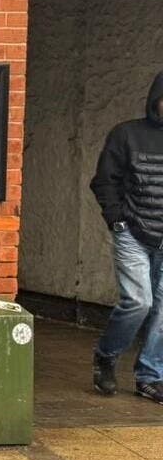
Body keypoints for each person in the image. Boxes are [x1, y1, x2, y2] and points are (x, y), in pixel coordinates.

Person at [89, 71, 163, 403]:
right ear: (156, 100)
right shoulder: (127, 135)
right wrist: (117, 220)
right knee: (140, 301)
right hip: (133, 232)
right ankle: (106, 355)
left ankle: (150, 376)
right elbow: (104, 181)